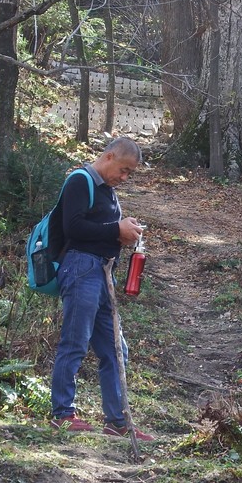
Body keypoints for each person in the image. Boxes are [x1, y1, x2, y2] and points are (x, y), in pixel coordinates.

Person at [49, 137, 154, 440]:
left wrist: (123, 232)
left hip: (102, 271)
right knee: (75, 340)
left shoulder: (108, 191)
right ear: (109, 157)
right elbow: (74, 228)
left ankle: (118, 421)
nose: (124, 178)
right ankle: (62, 414)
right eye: (123, 170)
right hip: (81, 268)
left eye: (129, 174)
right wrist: (115, 229)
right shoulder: (80, 181)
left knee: (115, 348)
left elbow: (100, 230)